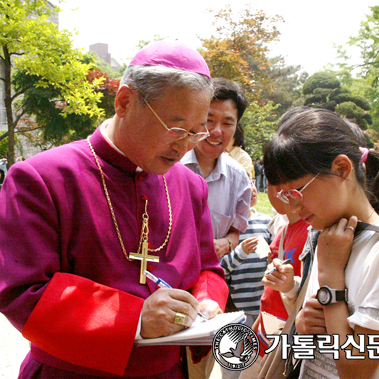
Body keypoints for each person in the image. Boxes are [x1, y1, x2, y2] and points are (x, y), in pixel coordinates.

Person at [0, 40, 229, 379]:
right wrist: (134, 319)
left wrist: (208, 301)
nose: (183, 146)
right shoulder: (42, 177)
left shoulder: (189, 185)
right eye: (176, 128)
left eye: (196, 133)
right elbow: (23, 291)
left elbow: (208, 270)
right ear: (124, 102)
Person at [262, 107, 379, 379]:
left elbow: (357, 371)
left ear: (341, 169)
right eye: (285, 195)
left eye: (296, 191)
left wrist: (331, 284)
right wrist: (302, 324)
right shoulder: (326, 237)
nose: (293, 205)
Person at [238, 183, 309, 379]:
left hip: (283, 349)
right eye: (272, 184)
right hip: (260, 342)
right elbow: (269, 292)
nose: (276, 191)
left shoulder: (313, 234)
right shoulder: (283, 230)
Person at [182, 78, 251, 260]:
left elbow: (235, 232)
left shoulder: (238, 177)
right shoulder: (170, 164)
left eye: (227, 123)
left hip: (210, 278)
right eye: (208, 120)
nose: (216, 131)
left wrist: (226, 243)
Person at [220, 180, 272, 330]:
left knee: (267, 348)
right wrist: (240, 252)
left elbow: (272, 259)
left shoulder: (266, 222)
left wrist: (269, 255)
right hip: (239, 306)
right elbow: (221, 269)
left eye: (253, 183)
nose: (252, 189)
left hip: (264, 304)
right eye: (245, 186)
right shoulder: (228, 228)